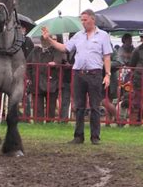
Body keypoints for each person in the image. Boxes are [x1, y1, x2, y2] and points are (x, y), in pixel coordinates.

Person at [42, 9, 112, 145]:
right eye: (82, 20)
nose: (83, 22)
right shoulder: (78, 36)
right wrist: (49, 39)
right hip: (79, 74)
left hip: (95, 74)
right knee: (79, 106)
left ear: (93, 19)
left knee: (94, 106)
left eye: (85, 20)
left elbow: (107, 56)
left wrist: (107, 74)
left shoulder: (103, 36)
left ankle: (95, 137)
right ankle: (78, 136)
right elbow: (64, 48)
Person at [27, 35, 64, 123]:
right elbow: (28, 65)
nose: (44, 41)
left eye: (46, 39)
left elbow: (59, 61)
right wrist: (29, 77)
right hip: (36, 82)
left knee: (51, 106)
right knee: (37, 106)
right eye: (43, 39)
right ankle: (38, 123)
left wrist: (55, 63)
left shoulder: (56, 50)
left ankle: (49, 122)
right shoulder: (35, 51)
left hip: (51, 82)